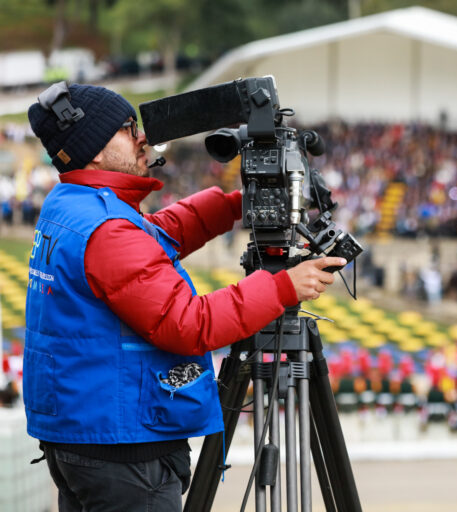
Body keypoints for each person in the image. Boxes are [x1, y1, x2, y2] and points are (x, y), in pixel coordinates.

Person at [23, 82, 346, 512]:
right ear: (95, 149)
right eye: (125, 128)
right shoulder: (106, 229)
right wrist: (284, 287)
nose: (142, 137)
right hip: (125, 449)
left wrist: (237, 204)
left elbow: (150, 241)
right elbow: (189, 324)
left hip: (89, 435)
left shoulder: (73, 204)